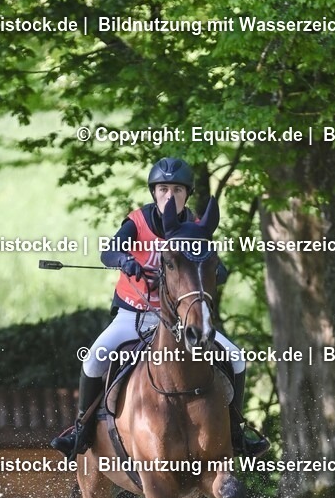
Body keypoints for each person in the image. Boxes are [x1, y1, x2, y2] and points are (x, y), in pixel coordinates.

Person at [51, 157, 268, 459]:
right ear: (154, 193)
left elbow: (217, 270)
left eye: (177, 190)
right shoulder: (138, 221)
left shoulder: (194, 228)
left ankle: (236, 432)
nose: (169, 196)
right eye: (163, 189)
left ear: (187, 194)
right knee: (93, 360)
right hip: (134, 313)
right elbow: (109, 251)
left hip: (179, 319)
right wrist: (125, 260)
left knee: (236, 358)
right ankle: (81, 431)